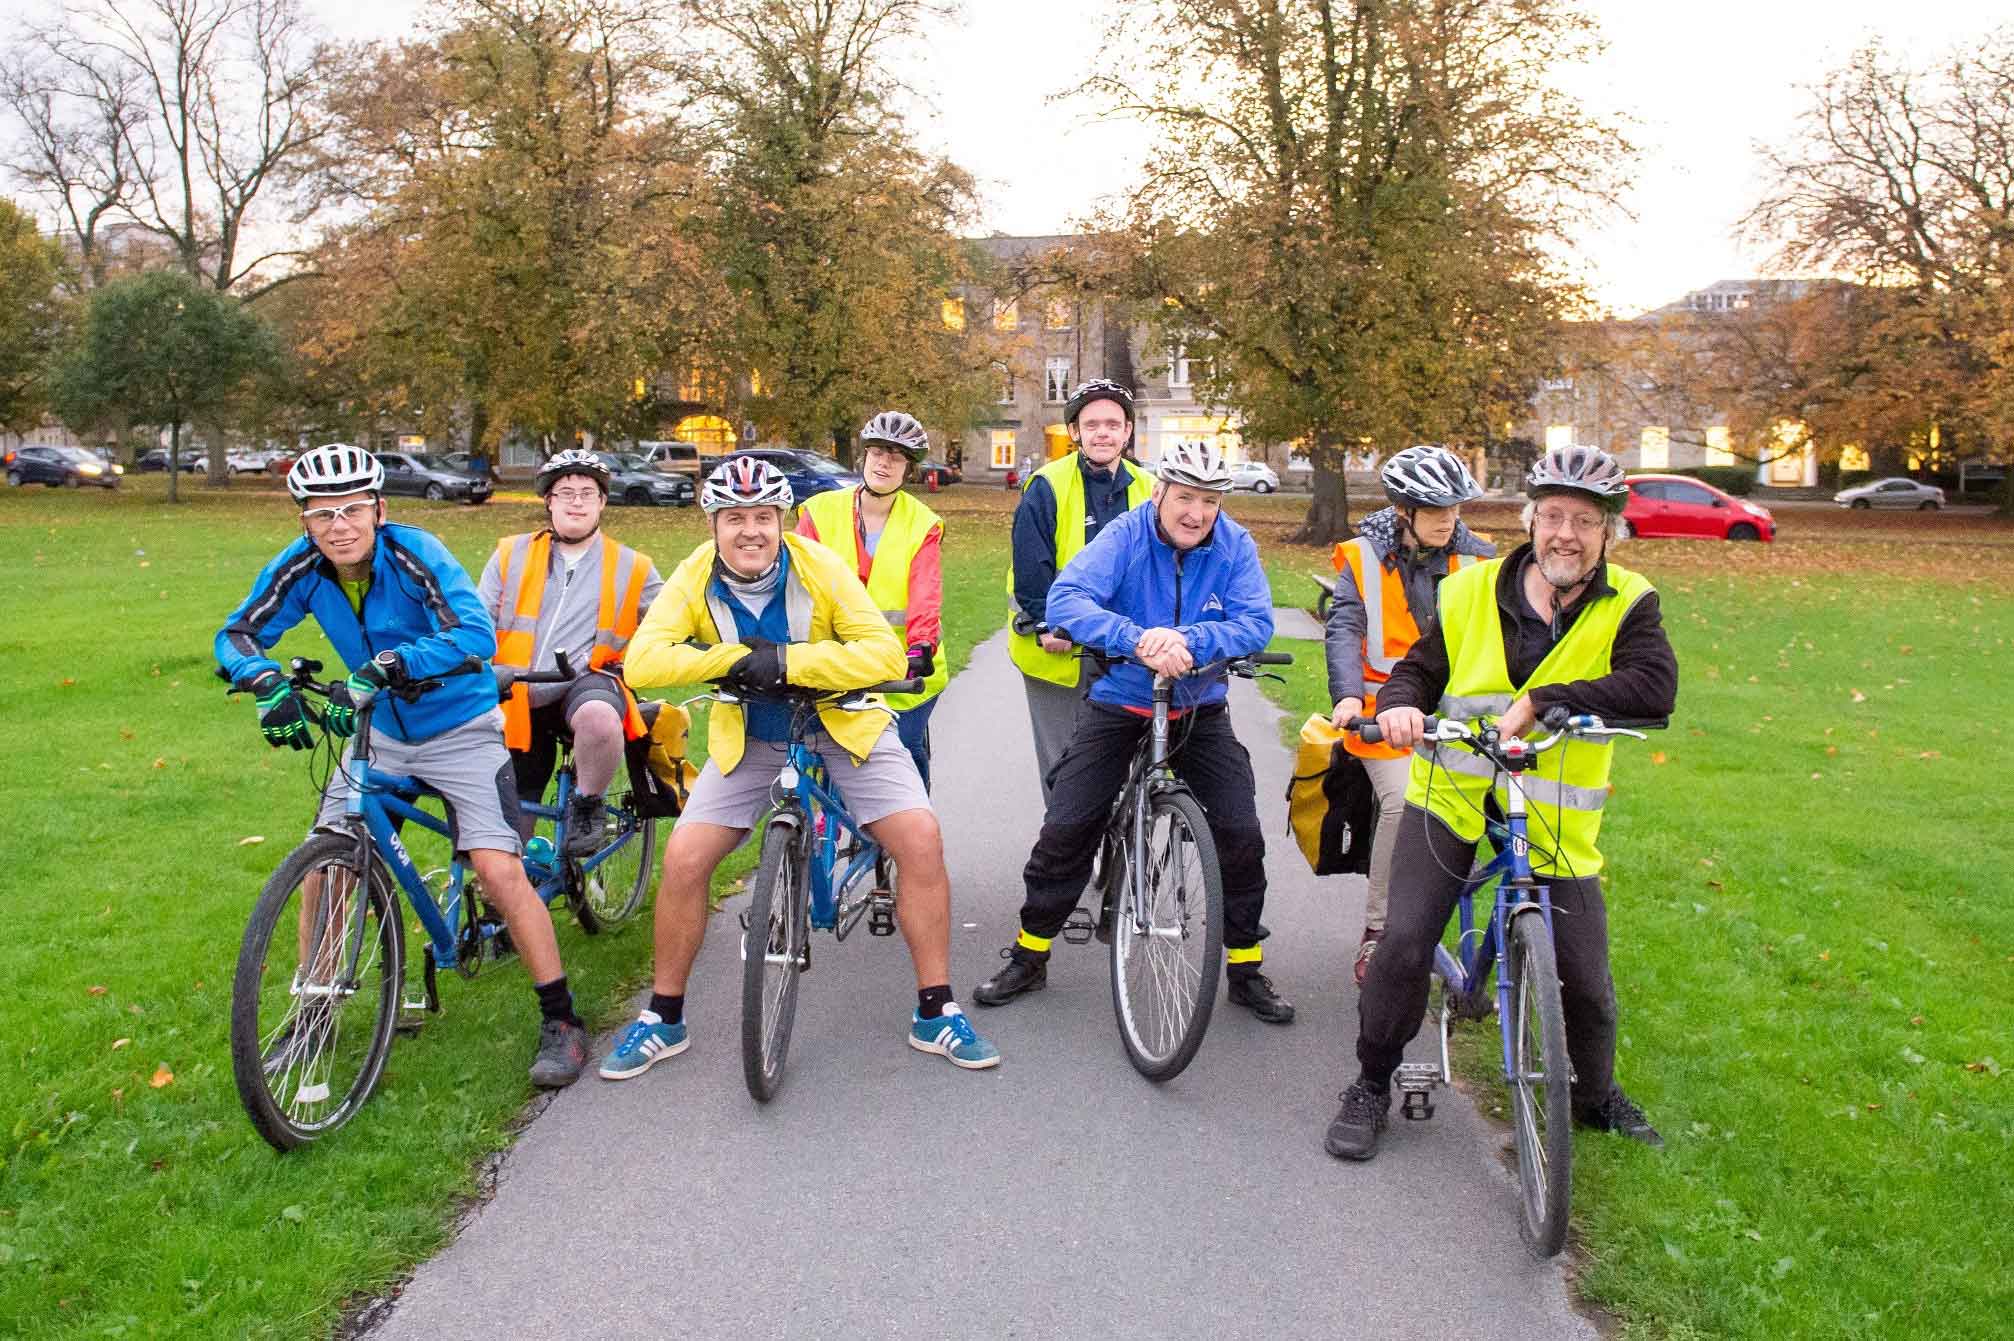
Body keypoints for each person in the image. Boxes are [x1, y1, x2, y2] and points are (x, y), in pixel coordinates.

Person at [1325, 445, 1679, 1161]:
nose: (1566, 535)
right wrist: (1395, 709)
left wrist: (1549, 700)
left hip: (1549, 811)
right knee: (1404, 940)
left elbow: (1654, 687)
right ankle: (1369, 1082)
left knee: (1586, 976)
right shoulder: (1472, 590)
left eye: (1585, 520)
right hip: (1453, 791)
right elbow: (1418, 673)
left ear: (1609, 531)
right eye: (1553, 516)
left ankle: (1593, 1093)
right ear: (1531, 520)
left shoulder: (1631, 601)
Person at [601, 456, 999, 1078]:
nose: (750, 531)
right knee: (683, 858)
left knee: (919, 839)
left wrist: (789, 664)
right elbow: (645, 663)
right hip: (752, 737)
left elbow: (881, 651)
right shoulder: (695, 575)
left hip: (842, 723)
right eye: (735, 518)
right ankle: (663, 1017)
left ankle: (936, 1008)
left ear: (782, 521)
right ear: (713, 523)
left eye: (763, 517)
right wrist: (735, 661)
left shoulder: (818, 567)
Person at [214, 443, 591, 1088]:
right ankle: (313, 1018)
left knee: (499, 869)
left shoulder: (414, 552)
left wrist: (396, 664)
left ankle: (562, 1020)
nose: (339, 526)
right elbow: (237, 633)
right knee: (324, 864)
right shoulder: (303, 566)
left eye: (353, 510)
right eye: (322, 513)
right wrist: (265, 680)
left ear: (379, 509)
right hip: (379, 733)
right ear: (303, 520)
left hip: (461, 727)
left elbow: (474, 634)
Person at [975, 442, 1294, 1023]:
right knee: (1069, 823)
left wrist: (1192, 643)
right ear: (1159, 494)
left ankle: (1245, 966)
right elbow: (1067, 598)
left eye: (1209, 501)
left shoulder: (1234, 545)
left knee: (1239, 830)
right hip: (1121, 700)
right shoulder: (1125, 535)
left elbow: (1255, 622)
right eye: (1185, 498)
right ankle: (1030, 953)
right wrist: (1136, 639)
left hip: (1198, 706)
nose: (1196, 513)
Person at [1324, 446, 1494, 985]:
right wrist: (1348, 696)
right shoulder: (1363, 557)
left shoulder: (1482, 561)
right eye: (1435, 510)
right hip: (1383, 720)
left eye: (1455, 509)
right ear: (1403, 511)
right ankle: (1378, 933)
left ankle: (1523, 943)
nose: (1448, 519)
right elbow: (1345, 628)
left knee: (1518, 816)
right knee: (1403, 804)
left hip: (1461, 718)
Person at [478, 449, 663, 858]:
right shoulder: (511, 553)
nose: (576, 501)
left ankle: (588, 803)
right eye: (565, 493)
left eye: (586, 492)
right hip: (515, 692)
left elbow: (672, 619)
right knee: (507, 826)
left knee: (599, 720)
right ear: (549, 502)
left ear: (602, 502)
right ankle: (507, 894)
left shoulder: (633, 565)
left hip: (586, 682)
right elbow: (477, 621)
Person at [1006, 379, 1155, 799]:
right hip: (1062, 648)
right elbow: (1031, 567)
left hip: (1127, 645)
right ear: (1075, 433)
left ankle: (1122, 847)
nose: (1102, 433)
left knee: (1133, 759)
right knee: (1065, 766)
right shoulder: (1047, 485)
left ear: (1127, 432)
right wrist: (1047, 623)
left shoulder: (1149, 488)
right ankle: (1067, 857)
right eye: (1092, 425)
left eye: (1113, 423)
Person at [795, 411, 948, 788]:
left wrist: (921, 646)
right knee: (815, 748)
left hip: (901, 665)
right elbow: (796, 583)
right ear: (863, 456)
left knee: (903, 748)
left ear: (908, 469)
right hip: (834, 660)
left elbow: (924, 591)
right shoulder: (819, 511)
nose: (884, 462)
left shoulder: (922, 523)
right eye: (878, 452)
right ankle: (812, 834)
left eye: (896, 456)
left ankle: (912, 835)